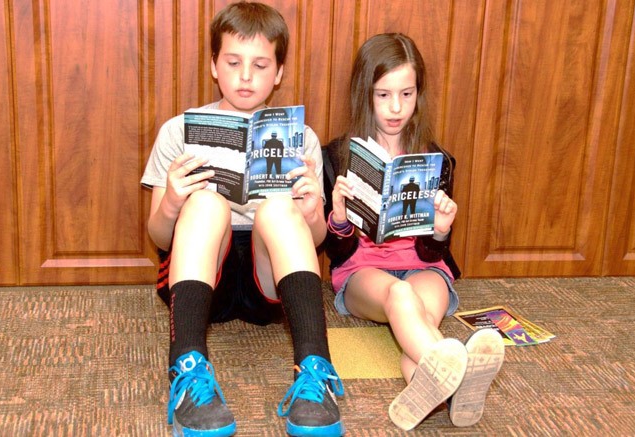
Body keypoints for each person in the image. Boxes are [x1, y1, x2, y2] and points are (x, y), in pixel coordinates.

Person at [141, 2, 344, 436]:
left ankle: (315, 368)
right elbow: (158, 235)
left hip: (266, 277)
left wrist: (311, 211)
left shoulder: (299, 137)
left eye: (260, 64)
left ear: (279, 72)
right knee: (207, 202)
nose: (246, 76)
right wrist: (173, 202)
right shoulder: (179, 130)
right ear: (214, 66)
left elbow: (317, 237)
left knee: (276, 208)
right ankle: (188, 369)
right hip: (198, 274)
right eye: (233, 62)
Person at [323, 33, 504, 431]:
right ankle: (463, 384)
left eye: (406, 94)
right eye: (383, 95)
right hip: (362, 272)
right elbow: (336, 252)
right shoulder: (337, 156)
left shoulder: (437, 161)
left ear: (418, 94)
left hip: (424, 268)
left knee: (422, 331)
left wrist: (439, 231)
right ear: (364, 94)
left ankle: (441, 396)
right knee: (401, 295)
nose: (395, 107)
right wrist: (338, 215)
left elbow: (431, 256)